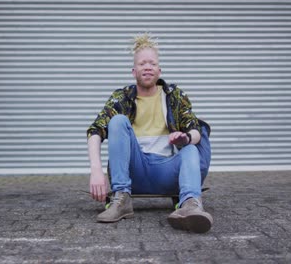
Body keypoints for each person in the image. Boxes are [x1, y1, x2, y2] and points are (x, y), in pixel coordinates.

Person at [86, 33, 213, 233]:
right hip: (135, 171)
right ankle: (121, 199)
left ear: (159, 70)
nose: (147, 67)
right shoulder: (122, 97)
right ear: (134, 71)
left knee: (191, 149)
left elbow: (195, 129)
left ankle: (190, 205)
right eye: (142, 63)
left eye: (152, 63)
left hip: (168, 171)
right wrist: (96, 171)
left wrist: (186, 138)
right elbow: (95, 130)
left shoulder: (174, 96)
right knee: (117, 120)